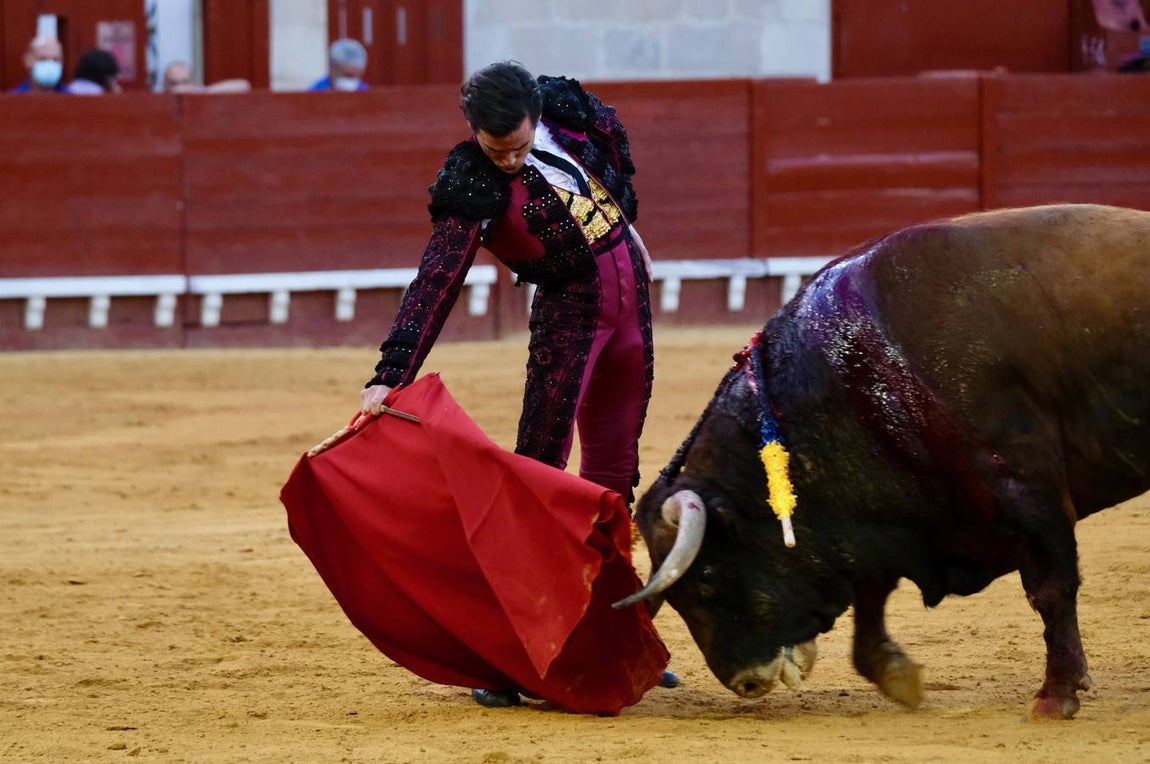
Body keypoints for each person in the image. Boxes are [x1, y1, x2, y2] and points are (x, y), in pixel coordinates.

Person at [359, 60, 677, 708]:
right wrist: (391, 374)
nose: (508, 160)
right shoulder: (472, 182)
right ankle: (512, 652)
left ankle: (616, 639)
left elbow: (606, 165)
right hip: (570, 320)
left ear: (535, 117)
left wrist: (628, 224)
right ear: (473, 130)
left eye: (519, 146)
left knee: (614, 478)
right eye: (495, 147)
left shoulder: (562, 116)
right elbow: (437, 280)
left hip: (629, 315)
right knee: (537, 478)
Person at [161, 60, 251, 93]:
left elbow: (244, 85)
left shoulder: (197, 92)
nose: (180, 88)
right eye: (174, 83)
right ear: (165, 84)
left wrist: (203, 91)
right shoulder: (159, 101)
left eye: (184, 82)